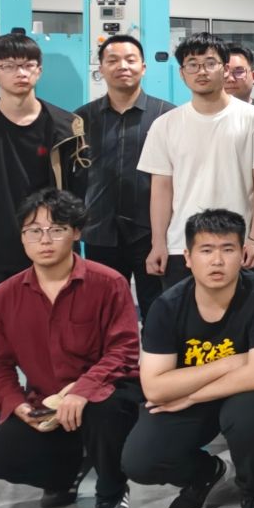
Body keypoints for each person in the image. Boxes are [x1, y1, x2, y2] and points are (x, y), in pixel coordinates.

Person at [121, 208, 254, 508]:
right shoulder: (168, 306)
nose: (217, 261)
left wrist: (191, 395)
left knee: (250, 414)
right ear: (187, 257)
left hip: (248, 394)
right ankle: (204, 473)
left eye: (227, 249)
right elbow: (154, 387)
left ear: (243, 254)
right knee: (140, 460)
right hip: (201, 393)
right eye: (206, 250)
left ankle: (253, 494)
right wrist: (229, 363)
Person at [0, 190, 142, 508]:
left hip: (106, 393)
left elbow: (123, 350)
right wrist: (16, 404)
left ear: (76, 232)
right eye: (33, 231)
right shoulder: (5, 296)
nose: (44, 239)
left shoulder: (108, 283)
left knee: (104, 411)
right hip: (47, 401)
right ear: (22, 237)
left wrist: (83, 390)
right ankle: (66, 473)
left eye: (57, 229)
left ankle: (112, 488)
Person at [0, 31, 90, 339]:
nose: (20, 72)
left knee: (53, 344)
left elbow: (77, 191)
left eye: (27, 65)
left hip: (50, 252)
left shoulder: (66, 128)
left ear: (39, 70)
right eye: (9, 66)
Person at [136, 34, 254, 285]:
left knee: (240, 311)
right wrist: (158, 243)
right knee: (182, 311)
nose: (201, 71)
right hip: (182, 246)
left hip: (238, 245)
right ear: (182, 73)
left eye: (210, 63)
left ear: (225, 69)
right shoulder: (165, 125)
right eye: (192, 64)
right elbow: (161, 189)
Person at [75, 32, 174, 320]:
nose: (123, 66)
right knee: (103, 313)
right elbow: (74, 178)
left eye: (130, 60)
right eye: (113, 60)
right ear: (101, 69)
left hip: (153, 234)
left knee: (159, 312)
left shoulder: (167, 116)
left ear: (143, 67)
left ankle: (156, 353)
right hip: (100, 232)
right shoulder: (81, 119)